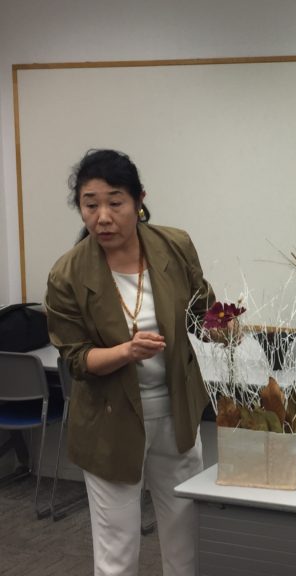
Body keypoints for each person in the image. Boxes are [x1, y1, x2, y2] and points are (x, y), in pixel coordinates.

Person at [45, 149, 215, 576]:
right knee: (117, 550)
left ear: (139, 200)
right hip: (109, 422)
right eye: (90, 204)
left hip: (176, 412)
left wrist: (223, 327)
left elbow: (202, 311)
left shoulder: (174, 246)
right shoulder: (68, 274)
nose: (103, 217)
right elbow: (76, 358)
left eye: (115, 202)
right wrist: (126, 351)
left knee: (186, 538)